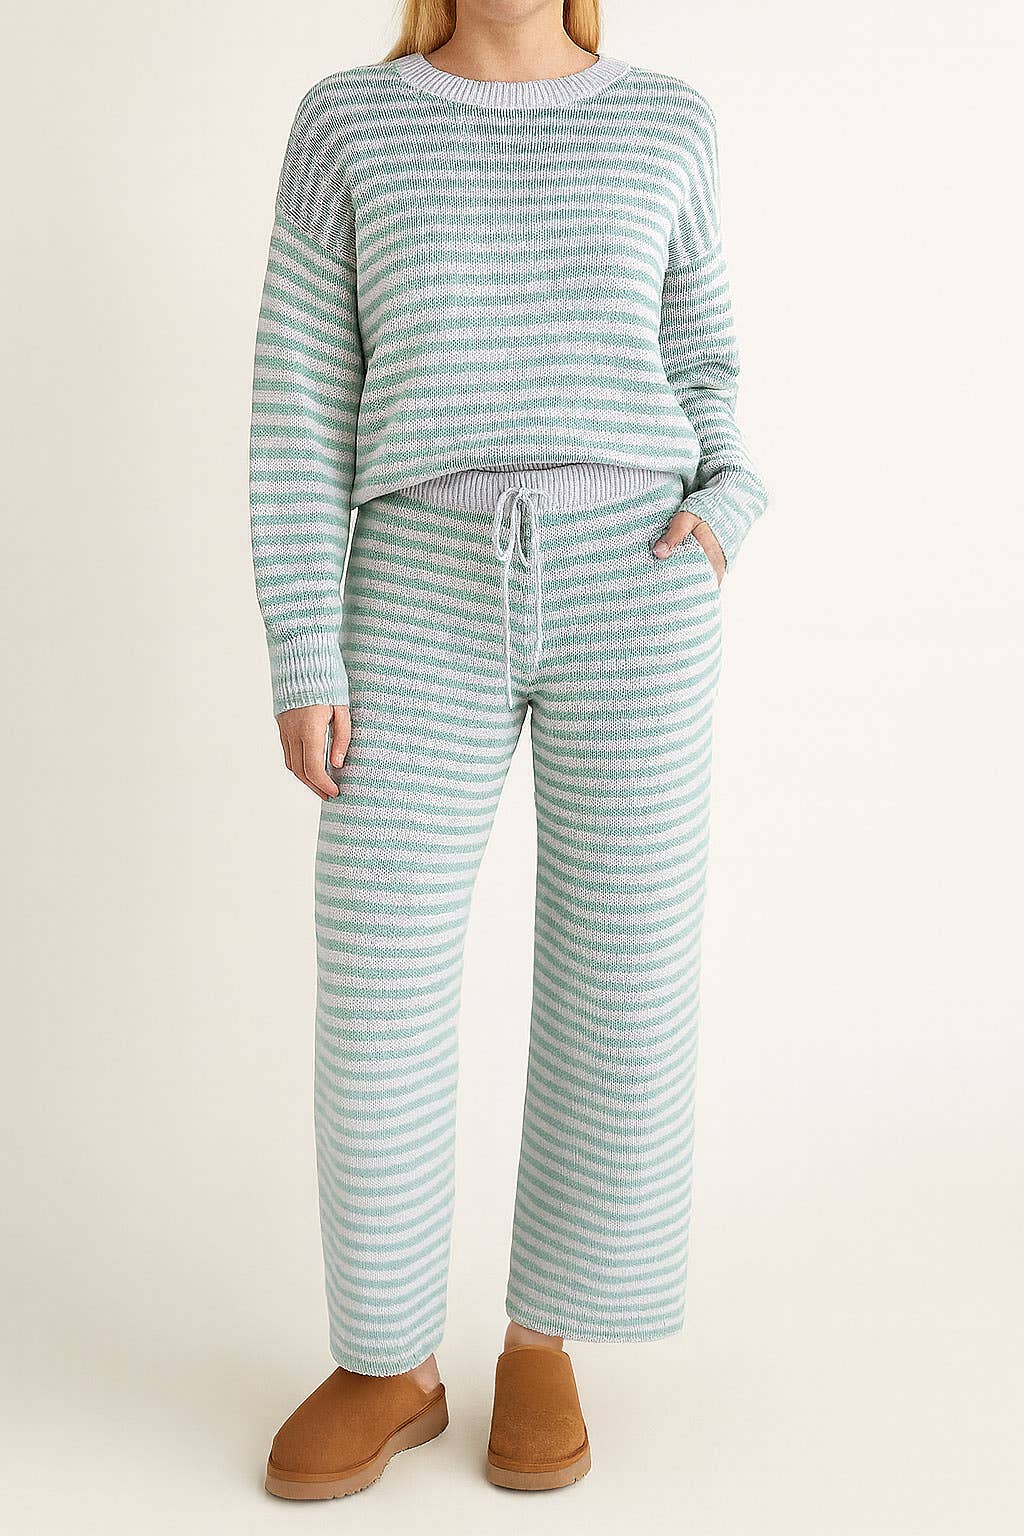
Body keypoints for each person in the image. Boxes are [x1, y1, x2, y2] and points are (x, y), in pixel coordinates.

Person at [249, 0, 767, 1499]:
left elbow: (708, 362)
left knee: (623, 970)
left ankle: (545, 1337)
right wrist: (306, 639)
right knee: (380, 970)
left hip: (636, 578)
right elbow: (298, 394)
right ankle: (387, 1358)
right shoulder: (349, 122)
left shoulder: (667, 119)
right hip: (415, 577)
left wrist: (719, 517)